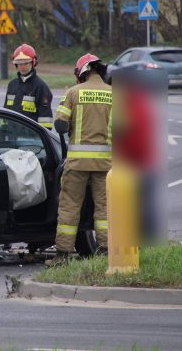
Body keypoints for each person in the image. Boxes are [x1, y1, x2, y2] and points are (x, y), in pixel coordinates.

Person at [48, 53, 112, 265]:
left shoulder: (73, 93)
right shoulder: (114, 94)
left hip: (77, 164)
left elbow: (60, 125)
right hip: (105, 164)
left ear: (81, 73)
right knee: (104, 207)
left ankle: (63, 254)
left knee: (70, 206)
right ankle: (105, 251)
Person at [4, 44, 54, 130]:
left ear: (33, 62)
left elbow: (45, 119)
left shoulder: (40, 86)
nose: (22, 66)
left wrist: (42, 138)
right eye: (19, 63)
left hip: (31, 138)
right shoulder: (12, 85)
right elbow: (6, 112)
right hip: (11, 136)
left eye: (26, 63)